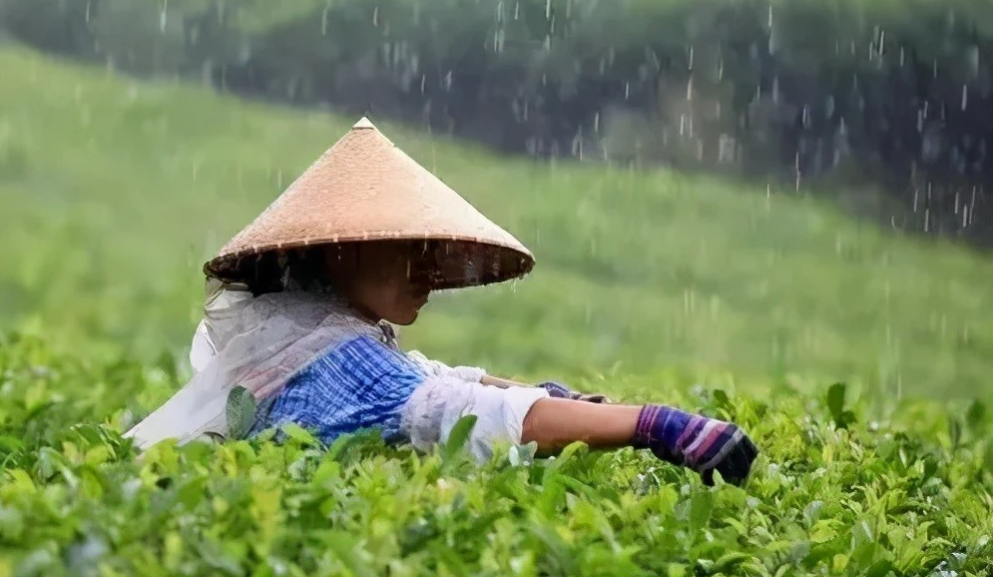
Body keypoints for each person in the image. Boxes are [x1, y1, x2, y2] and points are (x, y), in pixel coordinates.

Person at [126, 118, 759, 486]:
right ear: (343, 249)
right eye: (408, 249)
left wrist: (553, 397)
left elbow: (435, 376)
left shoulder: (304, 332)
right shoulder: (336, 360)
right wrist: (651, 424)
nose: (429, 271)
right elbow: (465, 412)